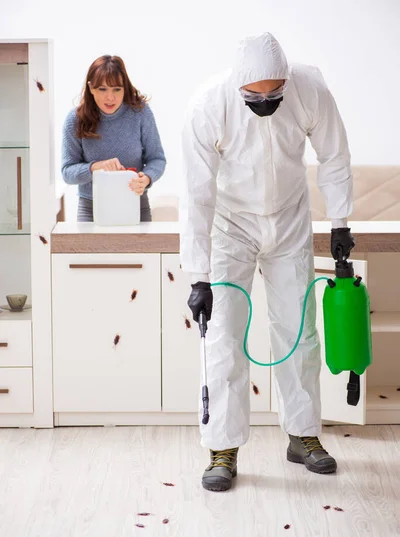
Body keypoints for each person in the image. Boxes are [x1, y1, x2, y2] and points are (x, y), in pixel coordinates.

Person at [180, 32, 355, 492]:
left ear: (286, 80)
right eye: (254, 95)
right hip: (229, 225)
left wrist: (340, 222)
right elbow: (196, 197)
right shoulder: (208, 105)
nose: (265, 101)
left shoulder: (309, 89)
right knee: (224, 337)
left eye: (274, 93)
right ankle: (223, 446)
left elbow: (334, 155)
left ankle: (303, 435)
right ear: (239, 86)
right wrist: (198, 276)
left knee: (299, 330)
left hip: (290, 218)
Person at [61, 55, 166, 221]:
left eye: (117, 89)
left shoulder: (140, 113)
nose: (110, 97)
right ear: (91, 88)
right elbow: (67, 172)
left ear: (124, 88)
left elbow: (157, 159)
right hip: (91, 209)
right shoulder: (75, 119)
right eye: (102, 89)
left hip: (135, 205)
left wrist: (146, 178)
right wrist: (96, 167)